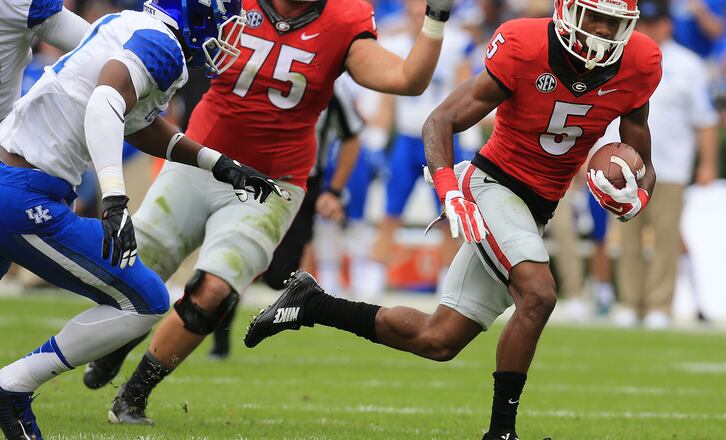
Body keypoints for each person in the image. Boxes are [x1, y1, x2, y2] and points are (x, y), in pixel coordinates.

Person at [245, 0, 663, 438]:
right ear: (566, 11)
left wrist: (637, 194)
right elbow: (440, 120)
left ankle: (311, 303)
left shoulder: (639, 62)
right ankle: (501, 433)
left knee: (438, 339)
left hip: (537, 207)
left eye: (614, 21)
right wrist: (448, 189)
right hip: (493, 187)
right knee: (538, 296)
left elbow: (643, 162)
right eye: (594, 16)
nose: (601, 30)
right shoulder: (524, 45)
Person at [83, 0, 457, 425]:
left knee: (214, 290)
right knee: (135, 271)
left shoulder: (344, 16)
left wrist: (436, 17)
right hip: (199, 159)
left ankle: (133, 395)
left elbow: (408, 80)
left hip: (272, 182)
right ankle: (113, 347)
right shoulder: (233, 4)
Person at [0, 0, 283, 437]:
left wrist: (217, 162)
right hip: (24, 195)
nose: (227, 33)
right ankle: (12, 385)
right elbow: (105, 103)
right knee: (145, 300)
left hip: (12, 176)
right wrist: (115, 199)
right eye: (224, 19)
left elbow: (136, 122)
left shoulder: (125, 24)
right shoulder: (162, 44)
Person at [209, 73, 365, 359]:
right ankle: (219, 344)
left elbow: (352, 137)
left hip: (301, 187)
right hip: (252, 179)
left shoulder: (332, 88)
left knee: (279, 275)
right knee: (236, 261)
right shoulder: (255, 73)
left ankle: (286, 303)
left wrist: (335, 190)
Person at [612, 0, 719, 329]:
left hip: (670, 166)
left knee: (665, 237)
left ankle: (660, 305)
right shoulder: (620, 57)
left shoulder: (689, 65)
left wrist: (708, 163)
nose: (647, 29)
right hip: (625, 165)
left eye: (654, 24)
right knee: (626, 236)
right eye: (643, 23)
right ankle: (629, 302)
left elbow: (705, 120)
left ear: (667, 26)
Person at [367, 0, 477, 296]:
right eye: (414, 13)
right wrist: (377, 137)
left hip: (442, 140)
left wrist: (468, 136)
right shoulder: (395, 44)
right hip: (406, 138)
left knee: (446, 214)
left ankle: (447, 280)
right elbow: (387, 99)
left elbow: (465, 90)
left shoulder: (456, 42)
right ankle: (375, 276)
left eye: (423, 12)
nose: (419, 18)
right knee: (391, 212)